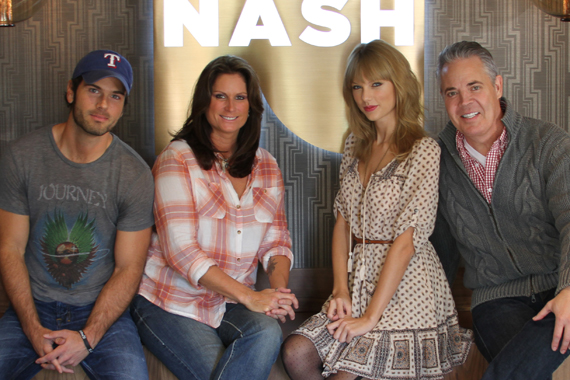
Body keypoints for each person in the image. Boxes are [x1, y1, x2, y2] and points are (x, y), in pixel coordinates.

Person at [282, 39, 472, 380]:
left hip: (406, 286)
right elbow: (343, 222)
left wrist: (370, 317)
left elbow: (407, 241)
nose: (365, 97)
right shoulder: (354, 143)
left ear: (398, 84)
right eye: (357, 86)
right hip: (358, 280)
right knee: (296, 351)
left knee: (347, 375)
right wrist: (340, 288)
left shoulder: (423, 150)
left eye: (376, 84)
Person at [130, 55, 298, 380]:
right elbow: (181, 250)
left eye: (240, 97)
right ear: (205, 102)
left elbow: (277, 241)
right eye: (220, 95)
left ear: (252, 107)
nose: (230, 106)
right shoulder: (176, 160)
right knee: (214, 373)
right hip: (169, 300)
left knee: (268, 333)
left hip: (229, 303)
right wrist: (250, 296)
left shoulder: (267, 166)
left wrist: (276, 295)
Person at [0, 50, 154, 379]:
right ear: (72, 91)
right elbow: (9, 248)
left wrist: (89, 336)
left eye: (116, 96)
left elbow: (129, 267)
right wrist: (31, 327)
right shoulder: (20, 157)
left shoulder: (134, 175)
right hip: (33, 303)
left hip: (99, 311)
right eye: (94, 90)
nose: (104, 106)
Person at [431, 40, 570, 379]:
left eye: (474, 86)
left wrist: (568, 289)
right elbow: (439, 249)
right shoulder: (435, 160)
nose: (465, 102)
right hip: (496, 300)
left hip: (560, 284)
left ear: (497, 85)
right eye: (452, 92)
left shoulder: (548, 142)